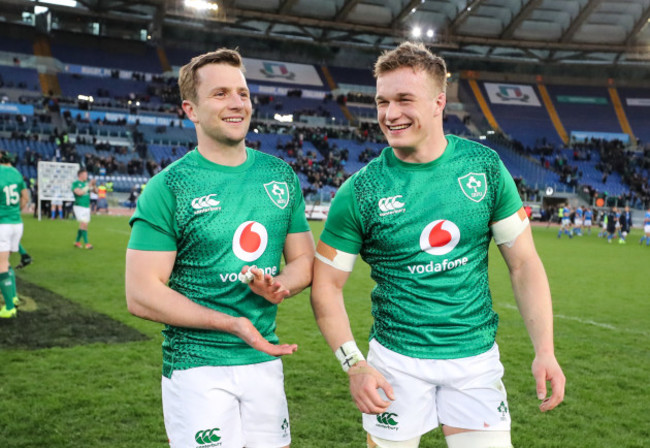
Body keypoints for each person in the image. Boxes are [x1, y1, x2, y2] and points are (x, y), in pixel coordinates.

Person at [310, 42, 565, 448]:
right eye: (382, 101)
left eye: (404, 100)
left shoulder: (484, 168)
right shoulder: (359, 191)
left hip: (475, 361)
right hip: (396, 362)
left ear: (438, 102)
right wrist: (353, 363)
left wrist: (545, 351)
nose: (390, 114)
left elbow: (524, 264)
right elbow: (326, 284)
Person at [125, 48, 314, 448]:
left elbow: (303, 261)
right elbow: (141, 294)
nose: (237, 103)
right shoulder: (169, 187)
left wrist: (280, 285)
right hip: (198, 367)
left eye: (242, 93)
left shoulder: (279, 175)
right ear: (190, 110)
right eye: (221, 94)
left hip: (264, 361)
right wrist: (232, 323)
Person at [0, 150, 30, 318]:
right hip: (16, 223)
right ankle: (13, 297)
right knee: (6, 261)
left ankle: (10, 307)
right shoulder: (17, 173)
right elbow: (25, 198)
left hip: (2, 224)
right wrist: (14, 211)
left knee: (1, 265)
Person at [71, 169, 95, 249]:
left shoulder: (86, 183)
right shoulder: (75, 183)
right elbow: (79, 193)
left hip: (86, 206)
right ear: (80, 175)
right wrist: (88, 185)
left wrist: (93, 185)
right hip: (79, 206)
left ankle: (77, 241)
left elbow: (96, 191)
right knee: (84, 223)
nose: (87, 176)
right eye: (85, 174)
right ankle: (87, 243)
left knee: (84, 224)